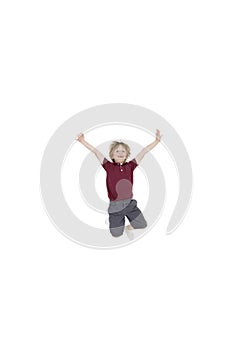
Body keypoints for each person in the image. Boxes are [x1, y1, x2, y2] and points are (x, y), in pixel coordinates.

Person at [76, 129, 162, 239]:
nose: (120, 153)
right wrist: (82, 141)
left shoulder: (130, 166)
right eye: (117, 151)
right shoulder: (108, 166)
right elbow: (96, 152)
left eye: (123, 151)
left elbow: (144, 151)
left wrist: (156, 141)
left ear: (127, 155)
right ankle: (116, 223)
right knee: (116, 234)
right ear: (112, 154)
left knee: (142, 224)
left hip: (129, 205)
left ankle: (127, 227)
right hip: (115, 207)